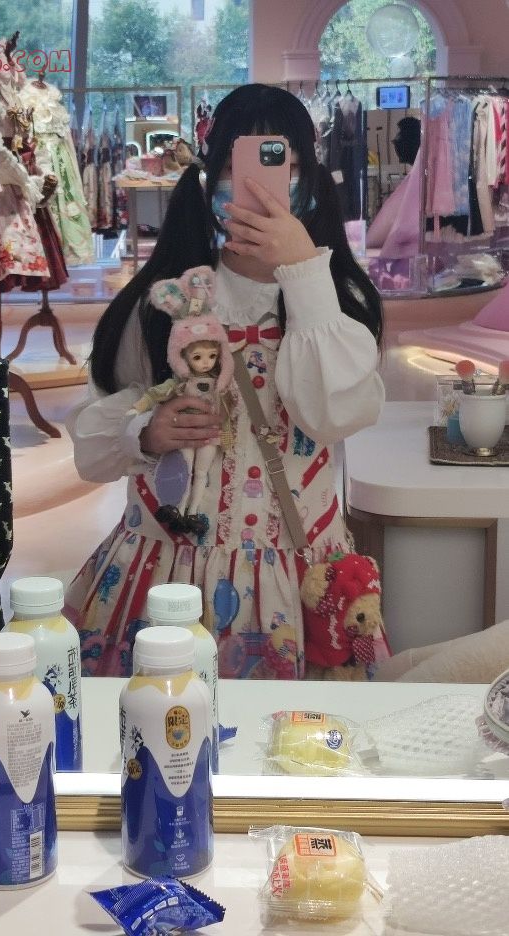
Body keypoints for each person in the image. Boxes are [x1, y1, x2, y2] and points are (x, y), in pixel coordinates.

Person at [64, 84, 385, 679]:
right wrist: (145, 430)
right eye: (241, 169)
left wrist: (303, 271)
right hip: (165, 577)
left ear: (311, 182)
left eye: (284, 167)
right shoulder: (166, 301)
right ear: (211, 179)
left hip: (299, 576)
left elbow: (335, 415)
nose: (261, 189)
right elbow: (93, 440)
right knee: (160, 721)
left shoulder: (339, 301)